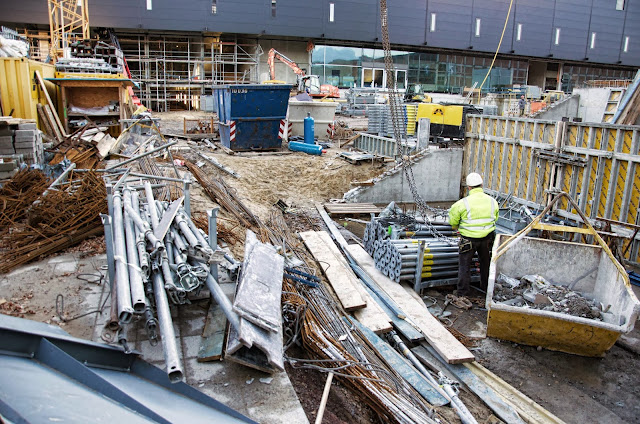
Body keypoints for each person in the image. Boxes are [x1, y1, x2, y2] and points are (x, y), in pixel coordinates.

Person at [448, 173, 499, 298]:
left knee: (464, 266)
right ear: (482, 185)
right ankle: (486, 289)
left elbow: (453, 223)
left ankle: (463, 293)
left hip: (468, 240)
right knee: (486, 264)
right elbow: (495, 219)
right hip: (487, 239)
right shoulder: (493, 202)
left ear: (469, 188)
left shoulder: (461, 204)